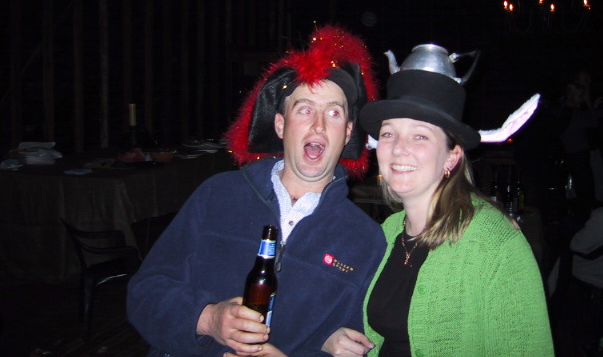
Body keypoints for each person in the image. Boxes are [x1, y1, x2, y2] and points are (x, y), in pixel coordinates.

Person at [127, 25, 386, 357]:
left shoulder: (365, 239)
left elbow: (354, 342)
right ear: (280, 125)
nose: (319, 125)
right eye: (305, 109)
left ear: (348, 132)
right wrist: (207, 319)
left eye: (333, 113)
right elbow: (145, 293)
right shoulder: (217, 196)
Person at [323, 54, 554, 356]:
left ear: (451, 156)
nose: (398, 148)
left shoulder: (495, 243)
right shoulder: (386, 232)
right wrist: (334, 337)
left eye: (420, 136)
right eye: (389, 133)